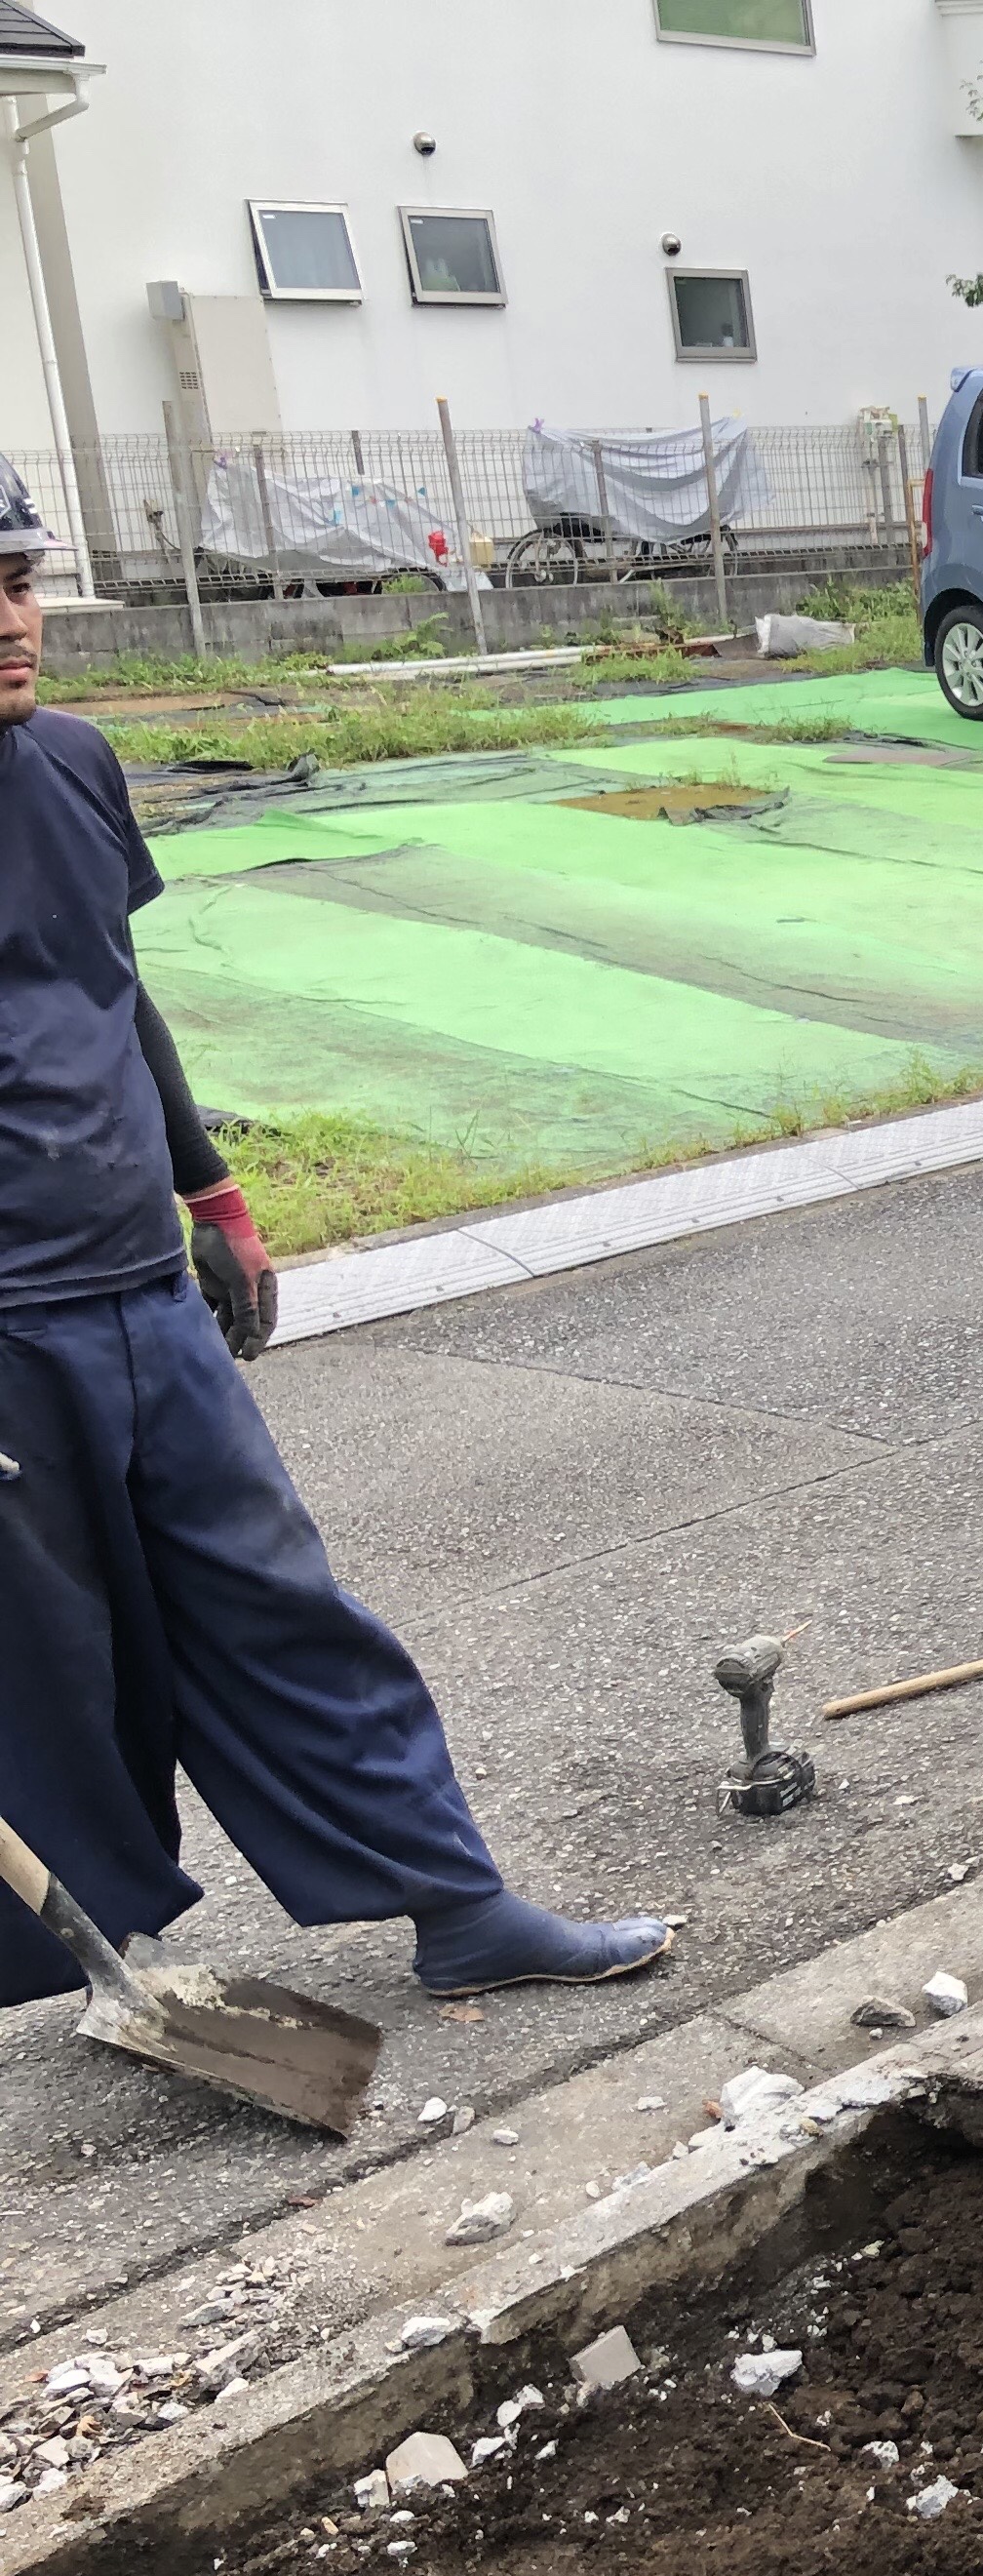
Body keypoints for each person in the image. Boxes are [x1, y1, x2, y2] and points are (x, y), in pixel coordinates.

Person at [0, 454, 671, 2014]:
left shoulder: (73, 764)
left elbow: (112, 992)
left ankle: (457, 1903)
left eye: (18, 583)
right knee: (48, 1671)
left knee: (278, 1604)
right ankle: (94, 1972)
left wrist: (211, 1197)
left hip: (136, 1290)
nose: (11, 620)